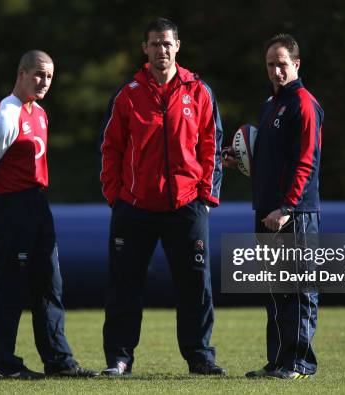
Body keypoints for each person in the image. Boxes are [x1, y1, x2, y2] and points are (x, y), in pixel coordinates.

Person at [99, 18, 225, 376]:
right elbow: (110, 148)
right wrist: (116, 197)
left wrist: (205, 197)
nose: (162, 50)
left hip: (186, 206)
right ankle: (119, 359)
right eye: (155, 43)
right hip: (134, 208)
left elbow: (211, 146)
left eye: (167, 43)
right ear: (145, 49)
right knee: (124, 288)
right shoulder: (128, 94)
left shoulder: (199, 91)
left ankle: (200, 356)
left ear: (178, 47)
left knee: (195, 287)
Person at [0, 50, 97, 379]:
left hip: (38, 204)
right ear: (22, 73)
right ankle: (7, 365)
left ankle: (59, 361)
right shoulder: (6, 116)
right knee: (9, 285)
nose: (44, 82)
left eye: (50, 76)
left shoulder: (38, 113)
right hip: (10, 205)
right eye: (39, 74)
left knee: (50, 284)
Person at [223, 34, 324, 379]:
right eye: (271, 64)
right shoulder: (271, 105)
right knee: (275, 290)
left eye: (282, 63)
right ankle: (279, 360)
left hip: (292, 214)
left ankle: (300, 364)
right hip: (266, 211)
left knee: (298, 288)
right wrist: (236, 160)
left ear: (296, 64)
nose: (276, 70)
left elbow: (305, 162)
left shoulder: (304, 104)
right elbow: (265, 158)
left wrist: (287, 207)